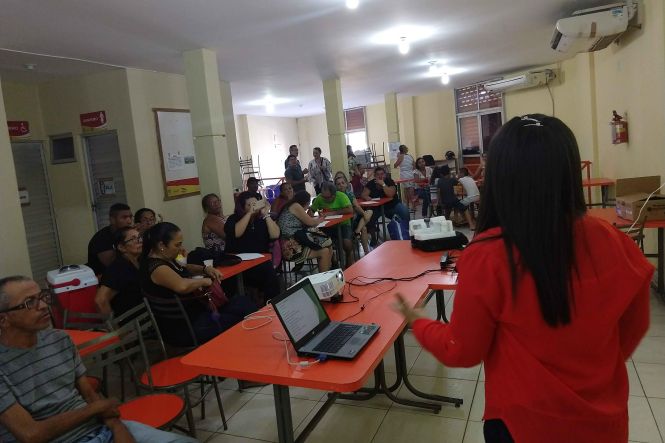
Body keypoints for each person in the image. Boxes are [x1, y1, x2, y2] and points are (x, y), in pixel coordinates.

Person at [393, 114, 653, 443]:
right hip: (605, 423)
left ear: (500, 178)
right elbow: (634, 327)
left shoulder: (488, 256)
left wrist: (418, 321)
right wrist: (591, 363)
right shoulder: (615, 241)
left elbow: (462, 351)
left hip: (523, 424)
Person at [0, 275, 196, 443]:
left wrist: (116, 427)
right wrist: (95, 409)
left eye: (42, 297)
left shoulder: (59, 340)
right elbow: (31, 434)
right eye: (29, 302)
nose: (43, 306)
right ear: (3, 319)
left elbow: (89, 394)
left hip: (99, 428)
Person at [140, 222, 256, 347]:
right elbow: (182, 286)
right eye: (177, 245)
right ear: (161, 245)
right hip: (185, 327)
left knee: (243, 303)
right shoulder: (157, 268)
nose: (181, 248)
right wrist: (205, 281)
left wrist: (205, 269)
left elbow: (184, 268)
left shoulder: (165, 259)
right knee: (240, 320)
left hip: (196, 314)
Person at [224, 192, 281, 304]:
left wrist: (266, 214)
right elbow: (237, 233)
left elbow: (275, 235)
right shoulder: (233, 219)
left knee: (270, 273)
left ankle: (272, 305)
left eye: (255, 204)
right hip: (239, 265)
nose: (253, 207)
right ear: (242, 207)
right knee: (267, 272)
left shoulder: (261, 221)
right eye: (249, 205)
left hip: (258, 263)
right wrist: (249, 214)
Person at [94, 227, 143, 318]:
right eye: (133, 239)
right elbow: (100, 300)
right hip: (130, 325)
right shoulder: (118, 268)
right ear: (121, 247)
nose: (139, 241)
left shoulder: (138, 261)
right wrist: (115, 329)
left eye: (139, 237)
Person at [277, 191, 332, 271]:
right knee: (326, 249)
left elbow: (306, 221)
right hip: (290, 247)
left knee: (327, 247)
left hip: (292, 242)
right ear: (306, 202)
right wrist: (322, 219)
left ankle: (327, 272)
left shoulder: (290, 205)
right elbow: (311, 222)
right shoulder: (295, 206)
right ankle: (325, 276)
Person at [310, 181, 354, 265]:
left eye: (327, 197)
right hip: (327, 226)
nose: (325, 199)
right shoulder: (320, 197)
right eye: (323, 197)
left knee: (347, 243)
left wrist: (333, 213)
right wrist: (311, 214)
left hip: (343, 224)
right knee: (322, 241)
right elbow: (311, 211)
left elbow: (350, 209)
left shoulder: (341, 196)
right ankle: (333, 261)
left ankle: (349, 262)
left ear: (334, 195)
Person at [87, 203, 134, 275]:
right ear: (112, 220)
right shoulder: (101, 238)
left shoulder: (127, 234)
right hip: (103, 278)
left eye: (130, 217)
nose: (129, 221)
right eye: (124, 217)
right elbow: (111, 264)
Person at [334, 172, 373, 255]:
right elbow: (356, 206)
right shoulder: (335, 196)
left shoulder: (349, 194)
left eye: (342, 183)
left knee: (369, 212)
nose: (341, 185)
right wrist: (364, 215)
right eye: (338, 184)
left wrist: (363, 214)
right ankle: (358, 233)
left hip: (354, 217)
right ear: (335, 186)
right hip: (344, 221)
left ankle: (366, 251)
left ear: (346, 183)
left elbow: (357, 207)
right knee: (364, 227)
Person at [436, 165, 475, 229]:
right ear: (449, 172)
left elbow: (439, 192)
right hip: (453, 201)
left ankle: (445, 226)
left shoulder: (439, 181)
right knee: (465, 208)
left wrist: (439, 202)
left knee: (447, 213)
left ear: (441, 174)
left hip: (445, 202)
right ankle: (471, 225)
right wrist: (454, 176)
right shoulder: (452, 180)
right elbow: (460, 184)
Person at [393, 144, 416, 211]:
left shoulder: (400, 156)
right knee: (411, 190)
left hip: (404, 174)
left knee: (406, 190)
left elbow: (395, 165)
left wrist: (397, 157)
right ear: (406, 149)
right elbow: (414, 166)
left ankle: (408, 205)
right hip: (411, 174)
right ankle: (412, 205)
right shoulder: (410, 156)